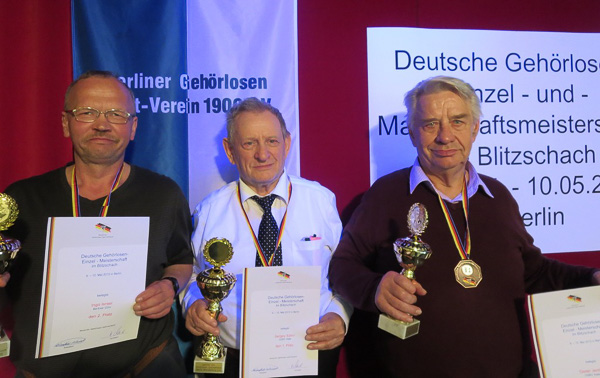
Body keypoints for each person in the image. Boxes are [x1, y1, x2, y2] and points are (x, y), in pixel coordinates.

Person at [329, 76, 600, 377]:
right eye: (430, 124)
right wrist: (374, 288)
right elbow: (342, 266)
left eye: (457, 121)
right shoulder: (385, 194)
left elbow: (533, 272)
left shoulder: (498, 196)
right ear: (412, 133)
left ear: (475, 129)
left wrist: (590, 277)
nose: (445, 136)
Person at [1, 71, 193, 377]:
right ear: (66, 123)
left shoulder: (164, 195)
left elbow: (181, 260)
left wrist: (169, 285)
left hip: (147, 366)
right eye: (87, 112)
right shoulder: (21, 200)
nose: (102, 124)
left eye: (116, 114)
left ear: (133, 127)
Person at [182, 97, 351, 378]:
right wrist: (193, 304)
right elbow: (191, 275)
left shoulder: (321, 201)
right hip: (233, 362)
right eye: (249, 143)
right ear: (230, 150)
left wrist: (340, 315)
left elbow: (346, 272)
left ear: (287, 143)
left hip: (310, 355)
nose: (263, 154)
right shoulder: (209, 211)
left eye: (272, 141)